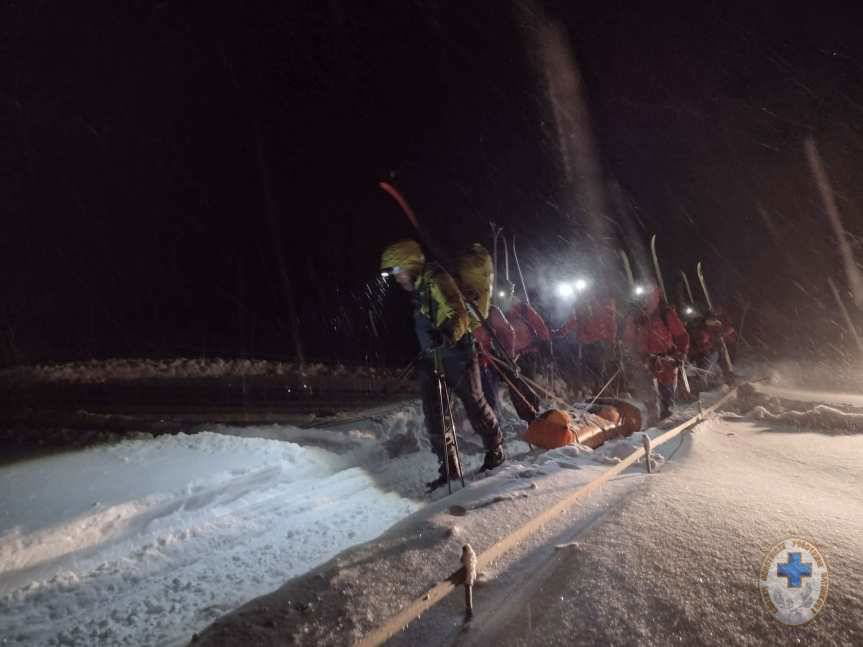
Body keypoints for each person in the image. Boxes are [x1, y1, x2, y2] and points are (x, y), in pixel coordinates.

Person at [380, 239, 506, 490]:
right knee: (435, 415)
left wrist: (446, 334)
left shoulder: (437, 279)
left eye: (398, 270)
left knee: (475, 403)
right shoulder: (419, 288)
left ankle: (495, 449)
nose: (397, 277)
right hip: (431, 357)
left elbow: (459, 313)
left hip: (458, 353)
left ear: (410, 263)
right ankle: (449, 468)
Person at [622, 284, 690, 422]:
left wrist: (681, 353)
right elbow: (629, 338)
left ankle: (667, 413)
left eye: (647, 295)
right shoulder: (634, 317)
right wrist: (629, 353)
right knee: (646, 390)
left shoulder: (665, 313)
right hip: (644, 358)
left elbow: (681, 335)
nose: (644, 299)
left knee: (666, 388)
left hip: (665, 358)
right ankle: (652, 416)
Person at [474, 303, 540, 422]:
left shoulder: (490, 310)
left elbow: (508, 331)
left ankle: (532, 415)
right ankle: (527, 416)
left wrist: (510, 353)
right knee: (490, 394)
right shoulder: (484, 310)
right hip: (483, 360)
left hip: (493, 359)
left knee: (516, 385)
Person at [553, 290, 617, 397]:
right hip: (586, 344)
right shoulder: (583, 311)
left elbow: (611, 326)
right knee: (586, 368)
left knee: (596, 369)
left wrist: (611, 341)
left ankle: (599, 391)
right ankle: (587, 390)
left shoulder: (602, 310)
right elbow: (572, 323)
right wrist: (558, 333)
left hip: (598, 344)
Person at [688, 308, 736, 388]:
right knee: (706, 367)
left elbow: (727, 330)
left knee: (722, 362)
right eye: (711, 320)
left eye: (713, 319)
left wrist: (722, 334)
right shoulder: (701, 329)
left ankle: (728, 379)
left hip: (714, 350)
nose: (713, 321)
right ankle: (706, 384)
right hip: (705, 352)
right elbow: (701, 342)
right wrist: (709, 344)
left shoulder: (716, 325)